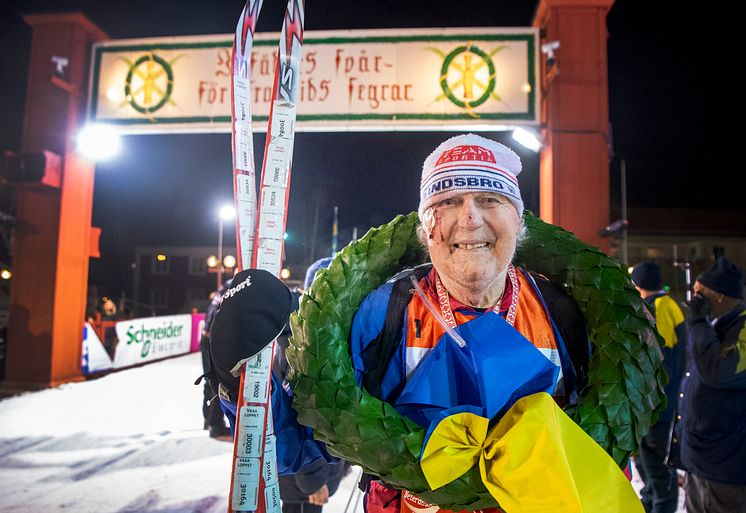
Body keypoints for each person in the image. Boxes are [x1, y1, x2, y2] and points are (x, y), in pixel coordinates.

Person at [348, 134, 634, 513]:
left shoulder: (564, 312)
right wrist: (257, 366)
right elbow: (315, 437)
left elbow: (601, 450)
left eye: (489, 200)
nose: (470, 217)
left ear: (518, 222)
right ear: (425, 229)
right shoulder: (382, 312)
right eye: (447, 202)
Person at [208, 268, 348, 513]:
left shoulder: (311, 333)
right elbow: (306, 422)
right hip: (305, 480)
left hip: (298, 477)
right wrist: (313, 482)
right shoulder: (307, 344)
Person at [668, 257, 746, 513]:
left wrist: (698, 321)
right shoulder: (716, 324)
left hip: (726, 465)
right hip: (700, 460)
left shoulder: (740, 327)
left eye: (700, 293)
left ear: (721, 297)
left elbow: (717, 370)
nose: (694, 298)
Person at [630, 261, 686, 513]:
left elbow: (659, 357)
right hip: (650, 405)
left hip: (658, 407)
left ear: (639, 284)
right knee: (646, 464)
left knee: (658, 469)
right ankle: (649, 504)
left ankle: (661, 507)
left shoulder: (662, 307)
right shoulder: (660, 305)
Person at [200, 278, 233, 441]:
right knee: (217, 381)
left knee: (209, 379)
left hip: (207, 338)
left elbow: (213, 307)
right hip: (213, 338)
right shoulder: (234, 285)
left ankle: (209, 420)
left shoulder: (224, 287)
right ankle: (215, 425)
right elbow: (215, 310)